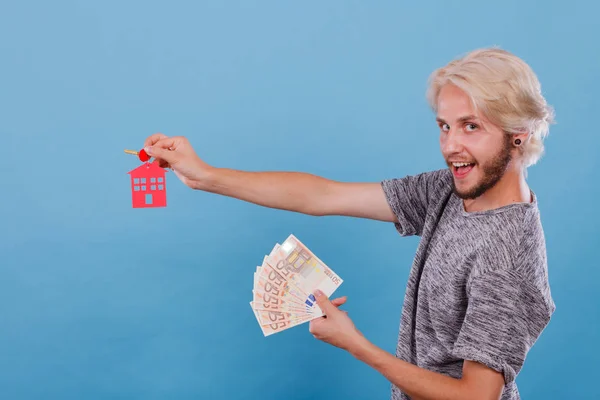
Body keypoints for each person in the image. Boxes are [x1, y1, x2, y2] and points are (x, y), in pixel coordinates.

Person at [141, 47, 556, 400]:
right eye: (444, 127)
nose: (450, 146)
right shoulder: (449, 190)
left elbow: (475, 396)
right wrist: (205, 175)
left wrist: (355, 345)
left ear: (518, 132)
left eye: (471, 126)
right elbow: (322, 195)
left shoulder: (507, 255)